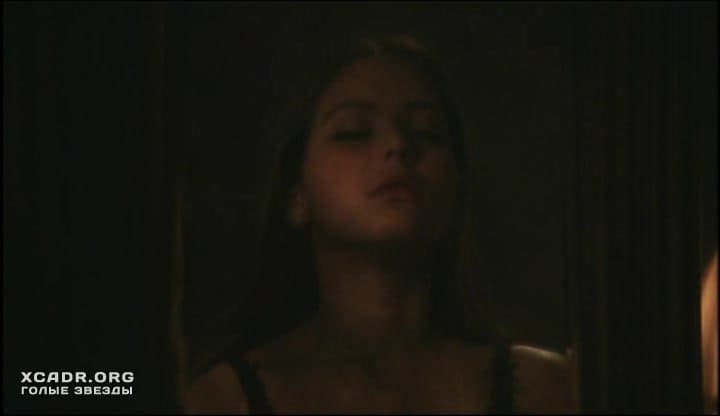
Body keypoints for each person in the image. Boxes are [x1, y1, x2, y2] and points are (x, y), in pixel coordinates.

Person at [181, 33, 577, 414]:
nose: (398, 146)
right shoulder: (222, 401)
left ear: (456, 188)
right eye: (353, 133)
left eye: (427, 133)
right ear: (297, 195)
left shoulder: (545, 389)